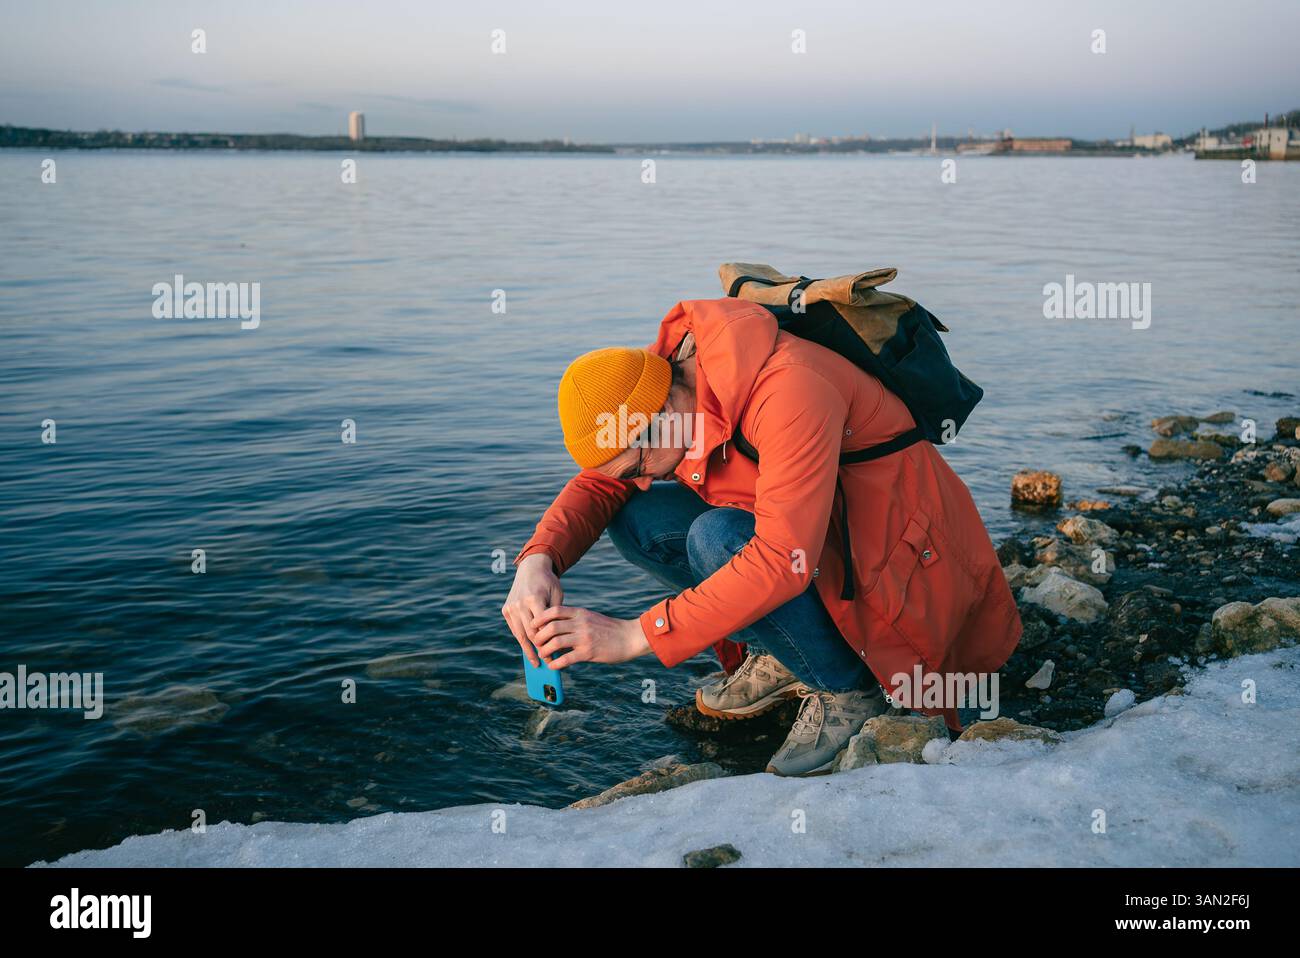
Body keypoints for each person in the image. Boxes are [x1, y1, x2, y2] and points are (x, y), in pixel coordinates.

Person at [502, 296, 1021, 776]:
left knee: (717, 536)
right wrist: (538, 561)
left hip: (895, 556)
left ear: (661, 416)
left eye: (636, 463)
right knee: (638, 519)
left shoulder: (790, 389)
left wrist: (635, 635)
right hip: (813, 529)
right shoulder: (666, 376)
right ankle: (783, 650)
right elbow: (602, 478)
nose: (638, 476)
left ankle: (847, 690)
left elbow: (782, 559)